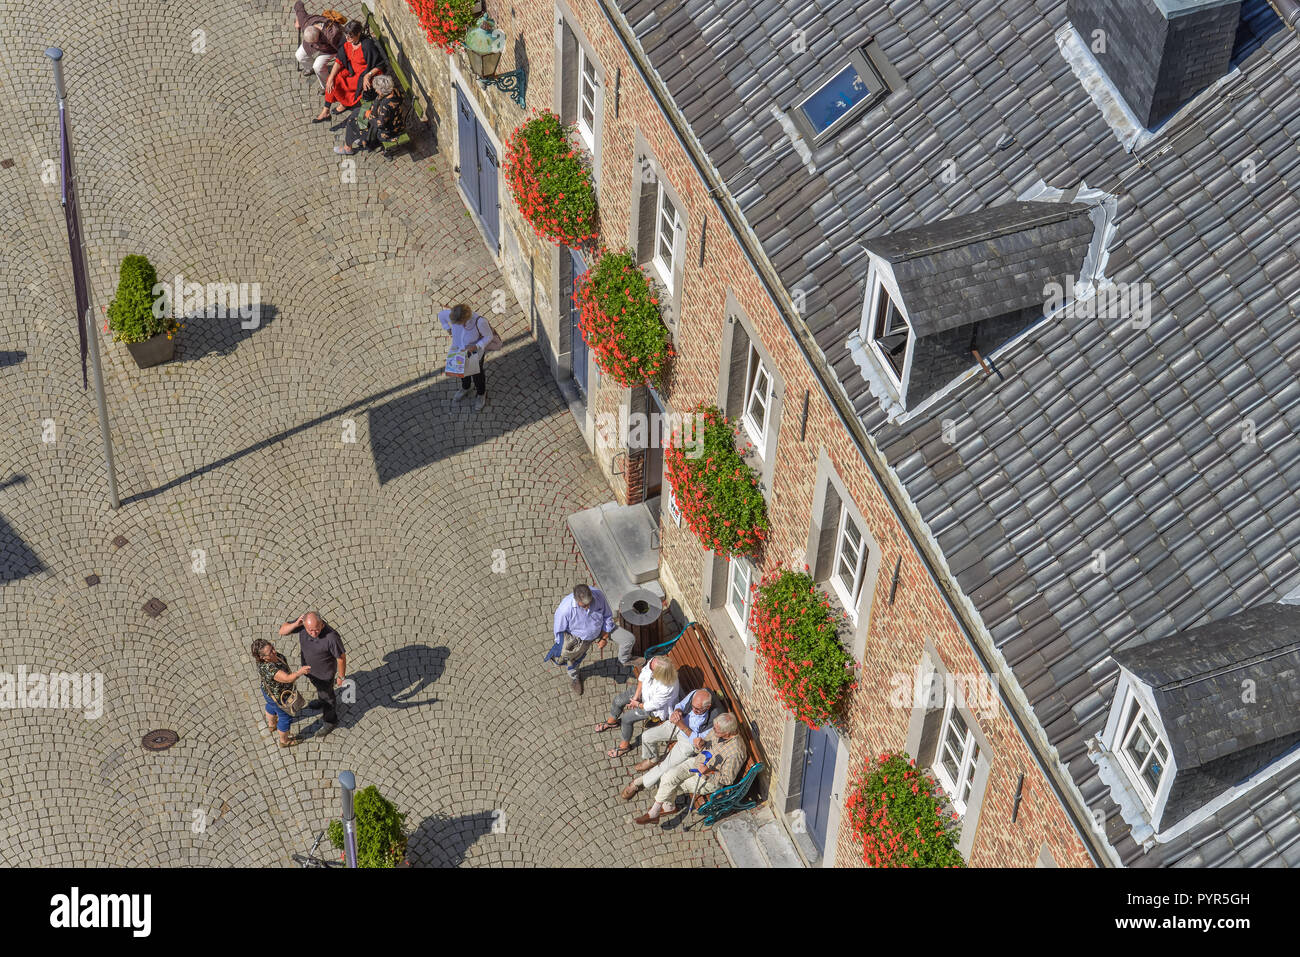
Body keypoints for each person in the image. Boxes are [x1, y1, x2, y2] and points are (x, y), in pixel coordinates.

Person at [633, 713, 747, 824]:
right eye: (714, 727)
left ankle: (656, 812)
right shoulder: (717, 730)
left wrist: (708, 772)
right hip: (696, 762)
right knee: (668, 775)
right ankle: (664, 808)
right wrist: (700, 745)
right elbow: (702, 748)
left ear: (727, 732)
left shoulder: (735, 752)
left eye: (717, 730)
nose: (713, 730)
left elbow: (728, 779)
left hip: (707, 779)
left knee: (673, 783)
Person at [620, 688, 716, 800]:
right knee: (647, 736)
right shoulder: (695, 694)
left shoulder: (714, 720)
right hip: (677, 724)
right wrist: (677, 711)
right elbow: (681, 705)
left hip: (688, 742)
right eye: (693, 706)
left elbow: (697, 741)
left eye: (697, 709)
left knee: (665, 766)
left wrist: (682, 725)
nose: (693, 709)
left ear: (707, 707)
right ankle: (653, 759)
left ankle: (637, 783)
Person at [596, 655, 679, 758]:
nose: (649, 668)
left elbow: (652, 705)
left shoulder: (667, 686)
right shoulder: (654, 663)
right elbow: (643, 677)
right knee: (618, 701)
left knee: (626, 719)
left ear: (658, 674)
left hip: (655, 709)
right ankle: (611, 722)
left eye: (651, 669)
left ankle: (625, 746)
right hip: (644, 694)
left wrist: (637, 704)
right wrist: (636, 696)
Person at [278, 611, 347, 737]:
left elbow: (341, 658)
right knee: (321, 692)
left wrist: (341, 677)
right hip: (310, 671)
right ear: (304, 625)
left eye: (316, 629)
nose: (314, 633)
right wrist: (295, 625)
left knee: (328, 698)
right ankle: (321, 700)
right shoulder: (302, 624)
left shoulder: (331, 637)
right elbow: (282, 631)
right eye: (310, 630)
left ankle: (330, 721)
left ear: (321, 624)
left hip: (324, 675)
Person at [546, 583, 615, 695]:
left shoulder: (598, 595)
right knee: (572, 661)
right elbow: (559, 632)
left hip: (599, 631)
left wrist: (604, 637)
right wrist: (566, 650)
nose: (588, 607)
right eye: (584, 606)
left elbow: (607, 616)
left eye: (590, 603)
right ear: (576, 599)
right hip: (578, 640)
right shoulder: (565, 610)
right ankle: (575, 678)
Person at [319, 20, 388, 122]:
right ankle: (326, 110)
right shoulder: (347, 43)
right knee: (333, 79)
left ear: (358, 34)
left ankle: (344, 104)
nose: (347, 38)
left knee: (348, 87)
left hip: (362, 74)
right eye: (346, 35)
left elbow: (380, 64)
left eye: (350, 36)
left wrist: (368, 75)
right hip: (350, 70)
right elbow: (339, 60)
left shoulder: (367, 46)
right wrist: (331, 77)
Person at [252, 638, 311, 748]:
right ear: (262, 657)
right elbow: (288, 678)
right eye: (270, 652)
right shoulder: (269, 668)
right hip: (279, 697)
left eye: (272, 648)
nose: (274, 651)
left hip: (269, 693)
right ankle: (284, 741)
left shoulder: (266, 659)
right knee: (285, 718)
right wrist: (300, 672)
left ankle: (272, 725)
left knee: (271, 706)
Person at [439, 303, 498, 412]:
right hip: (459, 351)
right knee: (462, 370)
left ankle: (481, 394)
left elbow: (488, 336)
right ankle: (466, 387)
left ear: (465, 319)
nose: (456, 325)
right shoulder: (453, 314)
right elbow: (441, 315)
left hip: (475, 354)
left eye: (457, 323)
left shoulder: (480, 322)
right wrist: (448, 328)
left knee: (477, 375)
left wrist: (476, 346)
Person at [337, 74, 405, 154]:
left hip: (387, 132)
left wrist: (369, 116)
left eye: (377, 89)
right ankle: (357, 139)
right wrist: (371, 110)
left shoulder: (385, 104)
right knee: (357, 112)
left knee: (353, 120)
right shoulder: (394, 91)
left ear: (382, 90)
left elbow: (380, 124)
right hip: (395, 122)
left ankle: (348, 147)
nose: (376, 91)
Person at [293, 3, 344, 95]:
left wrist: (340, 59)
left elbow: (341, 48)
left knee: (318, 66)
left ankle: (325, 86)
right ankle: (309, 68)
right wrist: (297, 21)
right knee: (299, 55)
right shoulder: (305, 21)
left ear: (319, 35)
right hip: (315, 42)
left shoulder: (331, 35)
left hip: (329, 49)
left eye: (313, 41)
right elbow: (298, 4)